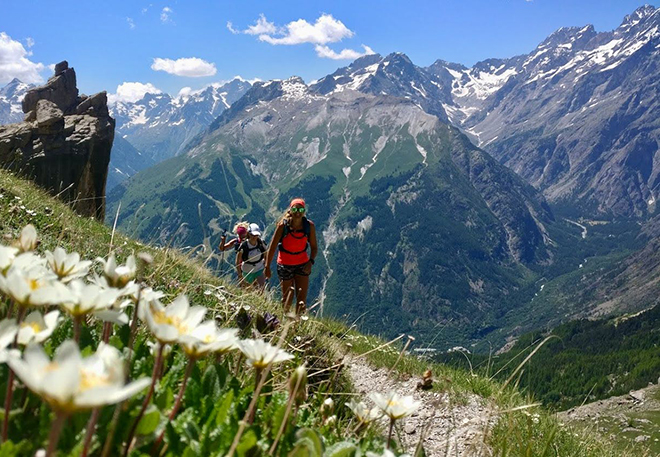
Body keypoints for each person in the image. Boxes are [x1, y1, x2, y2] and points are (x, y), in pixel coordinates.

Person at [264, 198, 317, 315]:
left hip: (302, 264)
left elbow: (314, 247)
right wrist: (267, 266)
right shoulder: (282, 226)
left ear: (304, 211)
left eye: (301, 209)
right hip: (284, 264)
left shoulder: (309, 226)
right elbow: (272, 247)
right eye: (295, 209)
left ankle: (297, 325)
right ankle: (284, 322)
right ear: (291, 209)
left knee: (301, 300)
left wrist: (310, 262)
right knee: (287, 297)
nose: (298, 212)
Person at [236, 223, 267, 290]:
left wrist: (266, 267)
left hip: (259, 268)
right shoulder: (244, 246)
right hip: (247, 271)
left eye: (256, 235)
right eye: (252, 235)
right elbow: (238, 261)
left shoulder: (261, 244)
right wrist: (240, 275)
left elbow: (266, 255)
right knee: (248, 290)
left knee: (261, 289)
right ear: (248, 234)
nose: (254, 237)